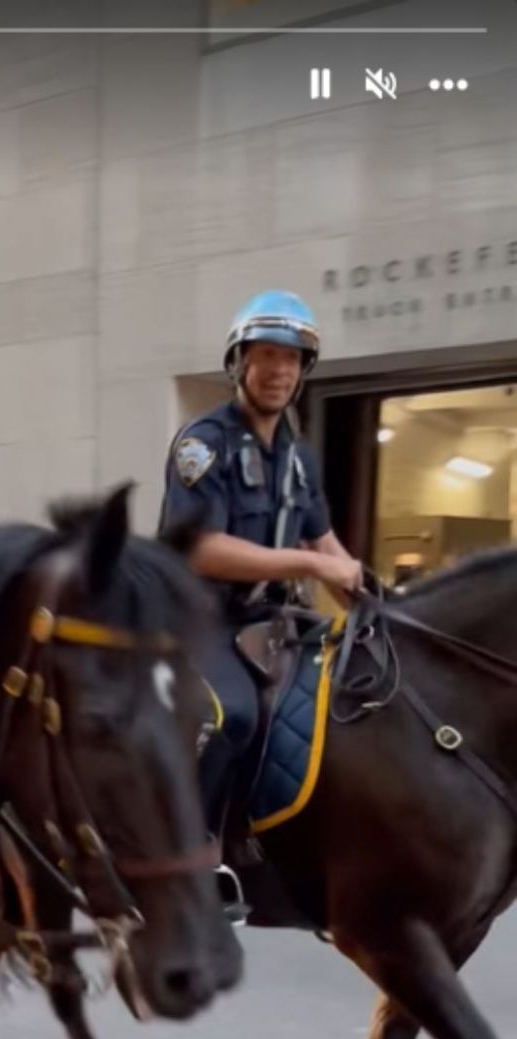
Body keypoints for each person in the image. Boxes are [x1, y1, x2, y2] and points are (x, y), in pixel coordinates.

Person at [157, 290, 364, 862]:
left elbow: (320, 536)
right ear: (239, 363)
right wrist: (313, 564)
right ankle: (187, 854)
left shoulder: (299, 456)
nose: (279, 370)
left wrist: (368, 598)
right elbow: (200, 548)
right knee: (233, 714)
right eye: (266, 355)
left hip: (271, 616)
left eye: (292, 359)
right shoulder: (203, 444)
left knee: (343, 696)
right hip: (199, 618)